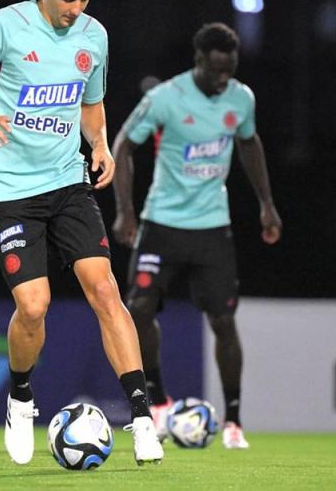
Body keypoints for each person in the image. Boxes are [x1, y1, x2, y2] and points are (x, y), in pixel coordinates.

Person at [0, 0, 164, 466]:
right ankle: (20, 396)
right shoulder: (3, 26)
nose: (74, 10)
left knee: (105, 290)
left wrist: (100, 144)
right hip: (11, 190)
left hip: (67, 183)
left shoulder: (94, 36)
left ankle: (143, 419)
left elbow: (91, 101)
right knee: (33, 307)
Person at [111, 22, 282, 449]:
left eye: (231, 70)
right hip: (162, 223)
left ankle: (235, 421)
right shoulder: (165, 98)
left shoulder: (241, 99)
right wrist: (126, 212)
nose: (223, 78)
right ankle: (159, 401)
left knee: (223, 320)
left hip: (211, 228)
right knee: (140, 308)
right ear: (200, 61)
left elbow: (249, 143)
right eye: (216, 70)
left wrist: (266, 203)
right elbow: (123, 146)